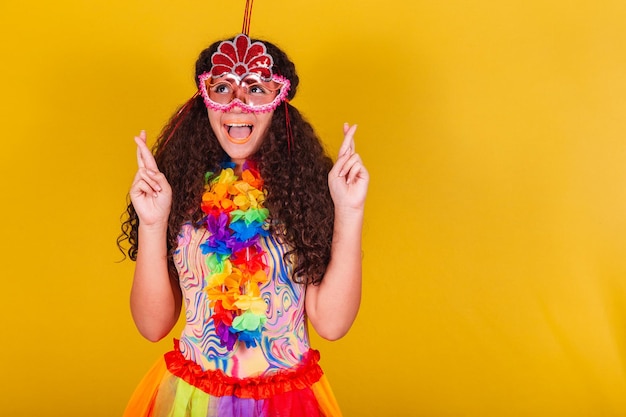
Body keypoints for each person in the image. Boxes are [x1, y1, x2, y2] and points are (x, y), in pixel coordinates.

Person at [118, 33, 368, 417]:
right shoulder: (179, 193)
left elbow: (332, 325)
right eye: (222, 87)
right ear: (205, 101)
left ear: (278, 103)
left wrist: (349, 212)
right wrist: (153, 223)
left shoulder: (307, 196)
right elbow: (153, 327)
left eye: (256, 88)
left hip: (286, 402)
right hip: (192, 400)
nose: (239, 103)